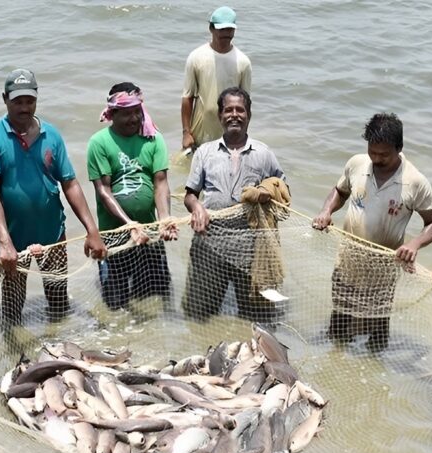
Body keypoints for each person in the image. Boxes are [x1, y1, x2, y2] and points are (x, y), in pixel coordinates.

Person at [0, 68, 106, 325]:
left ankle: (58, 346)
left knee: (59, 304)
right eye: (17, 101)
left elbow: (70, 183)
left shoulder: (52, 136)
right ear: (5, 99)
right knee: (12, 310)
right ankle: (16, 356)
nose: (24, 108)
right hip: (14, 239)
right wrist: (5, 242)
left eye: (29, 101)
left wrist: (92, 230)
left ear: (36, 99)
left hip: (52, 234)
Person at [312, 113, 432, 351]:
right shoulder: (357, 164)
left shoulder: (415, 182)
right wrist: (326, 211)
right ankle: (336, 360)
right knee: (339, 324)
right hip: (348, 260)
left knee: (378, 333)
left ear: (399, 148)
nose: (377, 158)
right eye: (373, 152)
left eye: (384, 154)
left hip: (383, 269)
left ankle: (374, 375)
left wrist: (414, 245)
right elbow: (340, 191)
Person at [183, 86, 287, 323]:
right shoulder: (204, 152)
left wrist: (266, 192)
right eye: (228, 110)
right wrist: (197, 208)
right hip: (210, 242)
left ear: (249, 115)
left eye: (240, 110)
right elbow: (190, 195)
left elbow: (282, 191)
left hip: (251, 247)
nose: (234, 115)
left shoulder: (264, 153)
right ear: (219, 116)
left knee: (257, 318)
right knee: (199, 315)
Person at [87, 82, 177, 310]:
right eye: (127, 114)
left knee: (153, 297)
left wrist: (164, 218)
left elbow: (160, 182)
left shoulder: (154, 138)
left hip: (149, 235)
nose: (134, 118)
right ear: (112, 114)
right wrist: (129, 225)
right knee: (116, 305)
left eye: (137, 111)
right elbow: (103, 190)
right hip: (115, 236)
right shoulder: (99, 143)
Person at [181, 6, 252, 151]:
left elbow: (246, 104)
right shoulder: (196, 57)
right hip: (200, 133)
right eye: (222, 29)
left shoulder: (243, 62)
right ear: (211, 29)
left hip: (230, 135)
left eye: (230, 30)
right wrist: (186, 132)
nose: (226, 34)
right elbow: (187, 98)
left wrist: (243, 136)